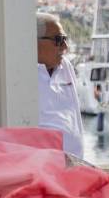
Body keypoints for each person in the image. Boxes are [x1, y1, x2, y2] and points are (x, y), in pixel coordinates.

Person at [35, 12, 85, 158]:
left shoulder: (66, 66)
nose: (65, 46)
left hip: (72, 169)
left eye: (65, 39)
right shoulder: (18, 74)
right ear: (34, 41)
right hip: (41, 170)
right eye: (58, 40)